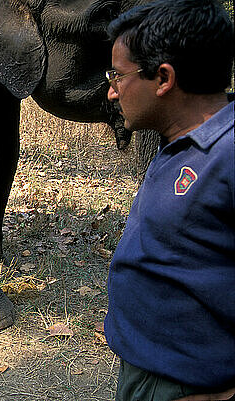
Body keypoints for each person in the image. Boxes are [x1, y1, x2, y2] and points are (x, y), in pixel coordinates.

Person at [103, 0, 235, 400]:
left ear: (163, 78)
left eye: (118, 76)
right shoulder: (180, 142)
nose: (111, 93)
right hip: (151, 371)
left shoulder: (228, 154)